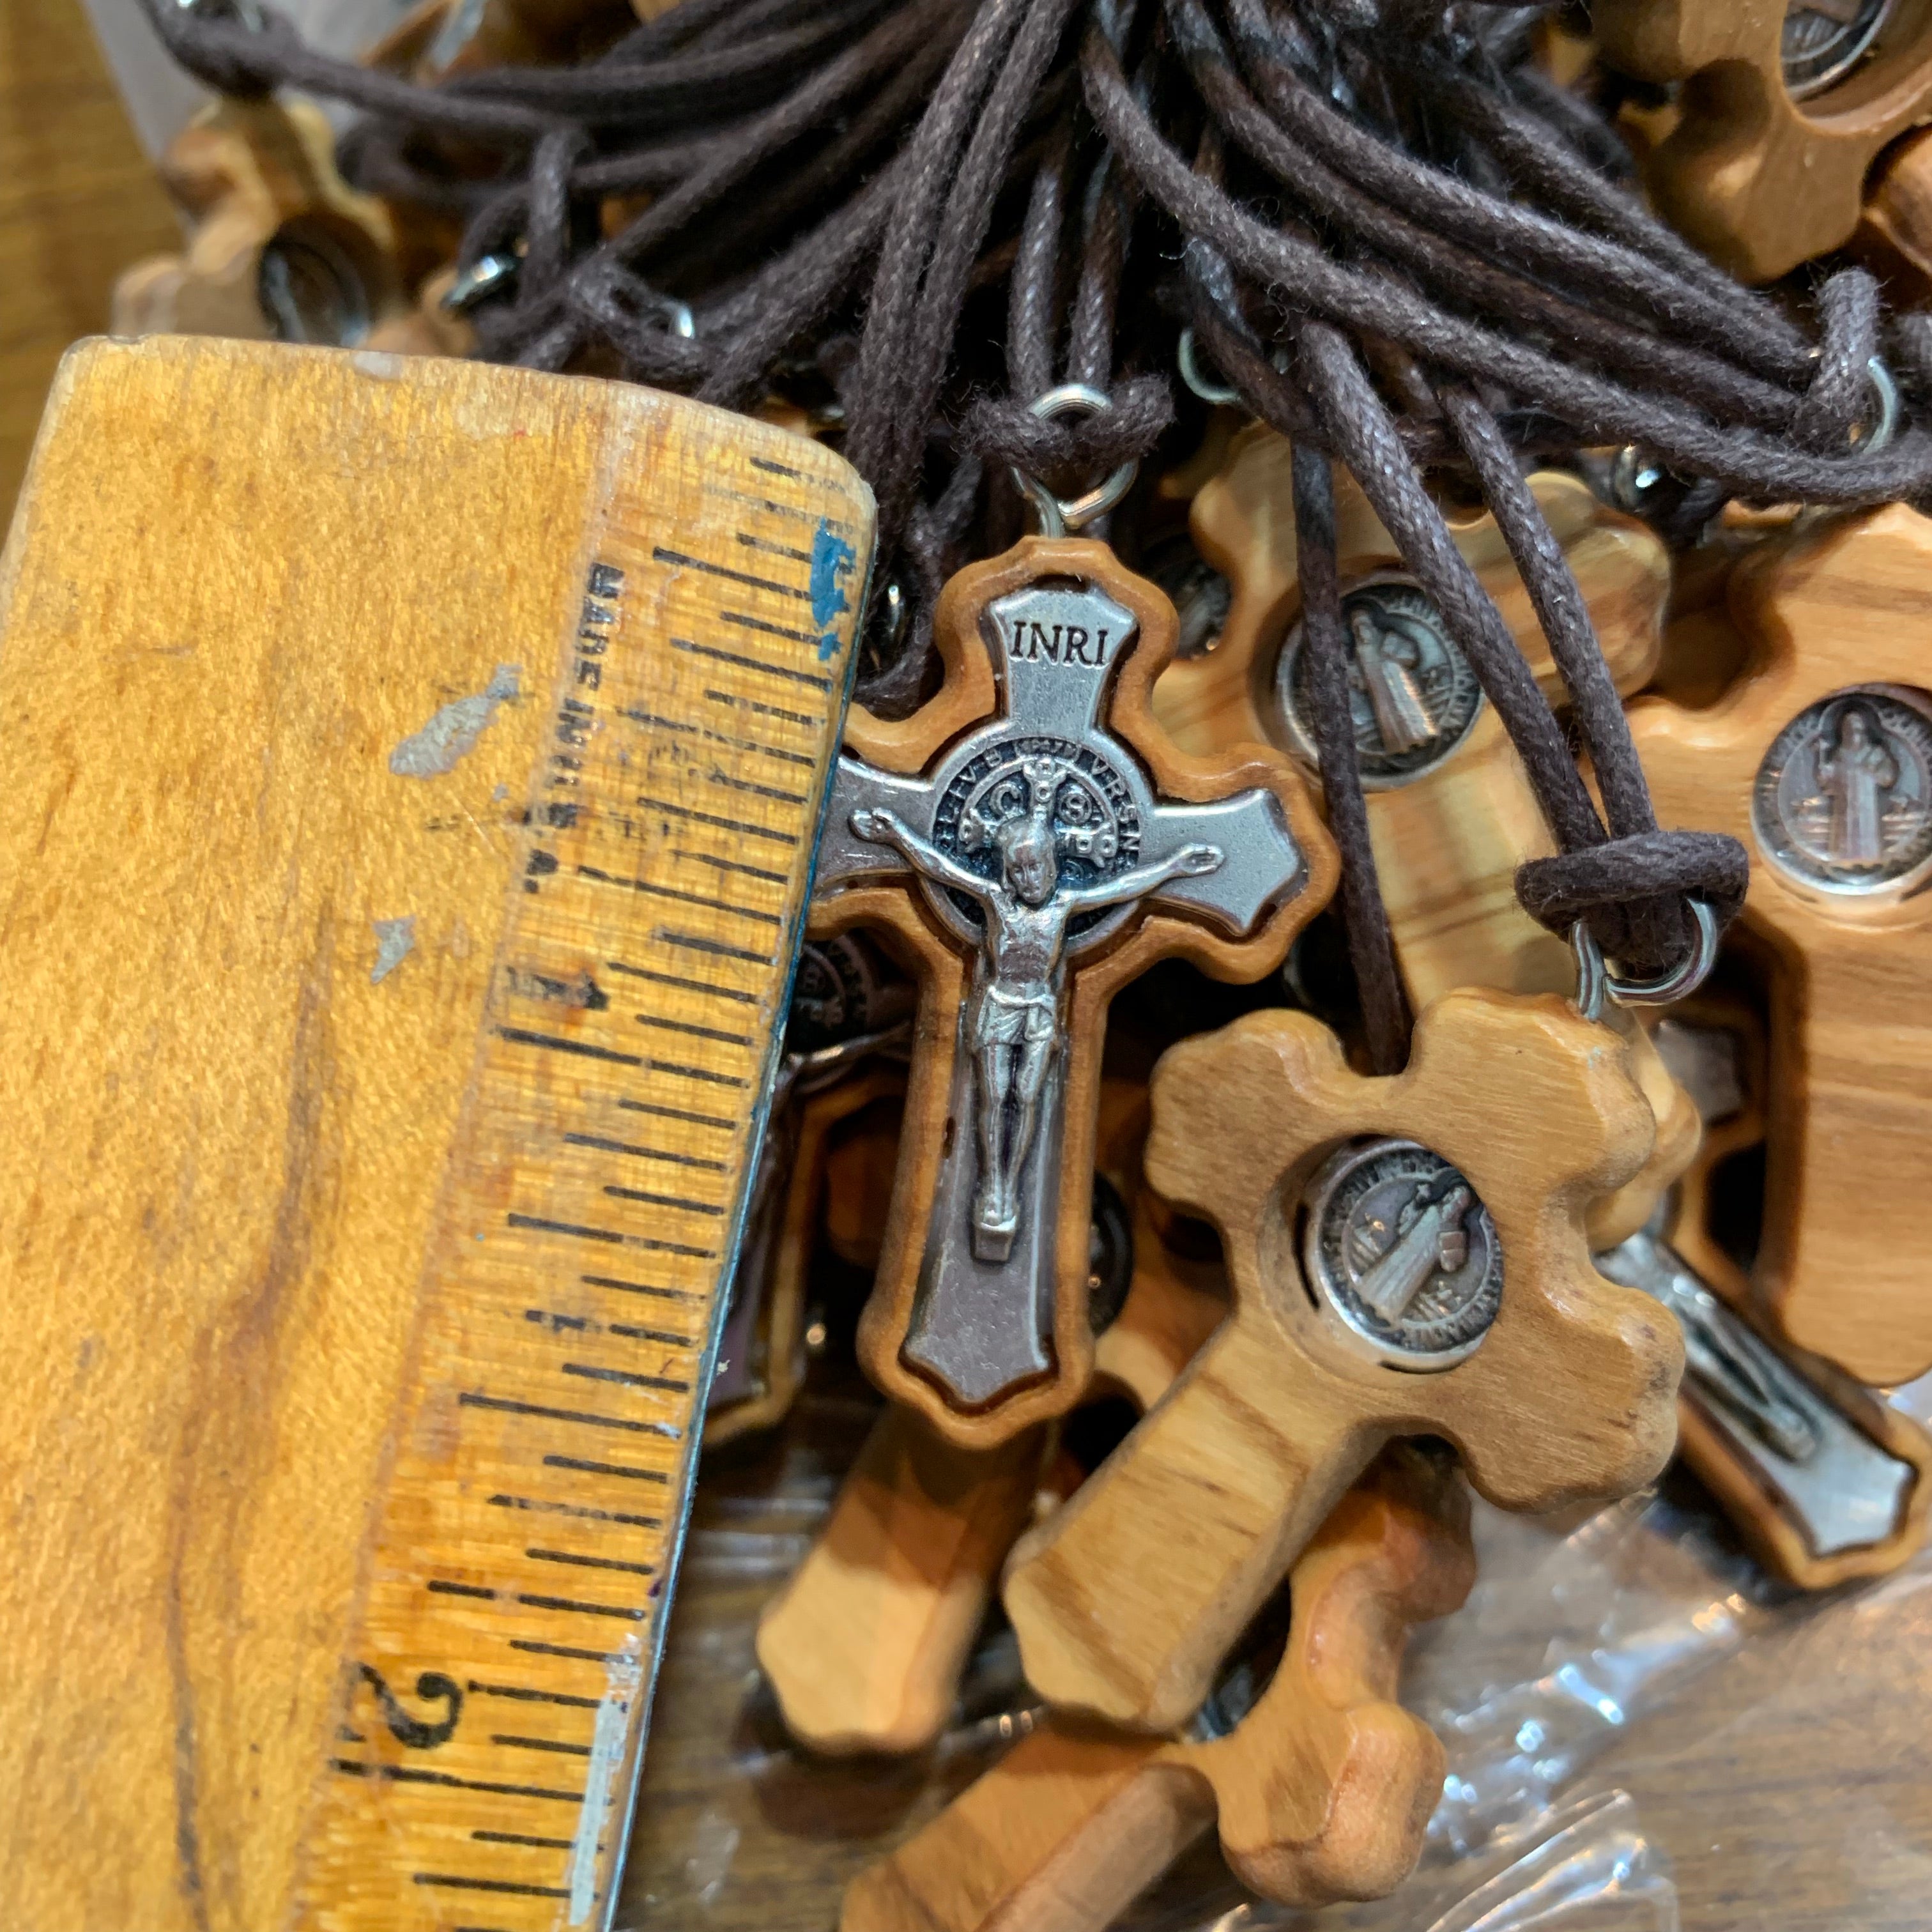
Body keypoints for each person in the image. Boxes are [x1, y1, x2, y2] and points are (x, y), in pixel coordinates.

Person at [851, 757, 1222, 1258]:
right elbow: (938, 866)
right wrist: (895, 835)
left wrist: (1174, 867)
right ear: (1007, 874)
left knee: (1026, 1098)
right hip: (1001, 1004)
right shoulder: (995, 902)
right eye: (1018, 870)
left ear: (1052, 865)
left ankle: (1010, 1185)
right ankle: (994, 1188)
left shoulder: (1063, 907)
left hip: (1040, 1010)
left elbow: (1121, 887)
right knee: (992, 1096)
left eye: (1038, 867)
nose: (1029, 879)